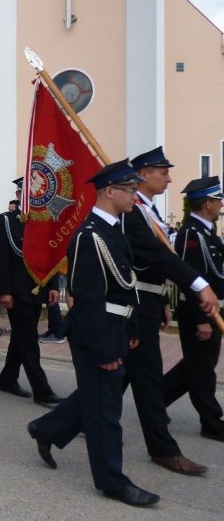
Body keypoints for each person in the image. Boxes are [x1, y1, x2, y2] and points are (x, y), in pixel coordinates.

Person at [27, 160, 160, 508]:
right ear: (109, 191)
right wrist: (104, 351)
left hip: (115, 327)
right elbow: (86, 301)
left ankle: (47, 429)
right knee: (106, 412)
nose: (136, 196)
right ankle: (112, 481)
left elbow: (123, 287)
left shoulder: (114, 230)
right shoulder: (89, 237)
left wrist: (130, 328)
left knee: (97, 395)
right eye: (130, 191)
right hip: (95, 331)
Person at [117, 146, 215, 475]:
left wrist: (161, 302)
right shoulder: (132, 212)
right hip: (135, 306)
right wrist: (198, 285)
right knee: (145, 379)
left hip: (148, 303)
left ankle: (54, 427)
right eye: (163, 172)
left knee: (120, 376)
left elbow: (155, 264)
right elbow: (156, 257)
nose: (169, 178)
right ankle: (163, 449)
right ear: (143, 175)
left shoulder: (148, 210)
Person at [0, 177, 61, 407]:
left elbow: (50, 258)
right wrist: (4, 291)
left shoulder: (44, 222)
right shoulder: (6, 221)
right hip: (16, 292)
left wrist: (52, 286)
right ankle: (41, 389)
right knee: (29, 339)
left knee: (21, 337)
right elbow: (0, 260)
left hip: (38, 289)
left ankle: (8, 378)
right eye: (27, 194)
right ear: (20, 195)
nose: (31, 198)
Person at [164, 176, 224, 443]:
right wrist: (202, 319)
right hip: (200, 312)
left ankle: (153, 403)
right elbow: (191, 277)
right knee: (201, 369)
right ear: (207, 203)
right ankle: (211, 422)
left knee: (196, 366)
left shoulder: (208, 231)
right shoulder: (191, 233)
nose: (221, 204)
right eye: (218, 200)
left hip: (213, 310)